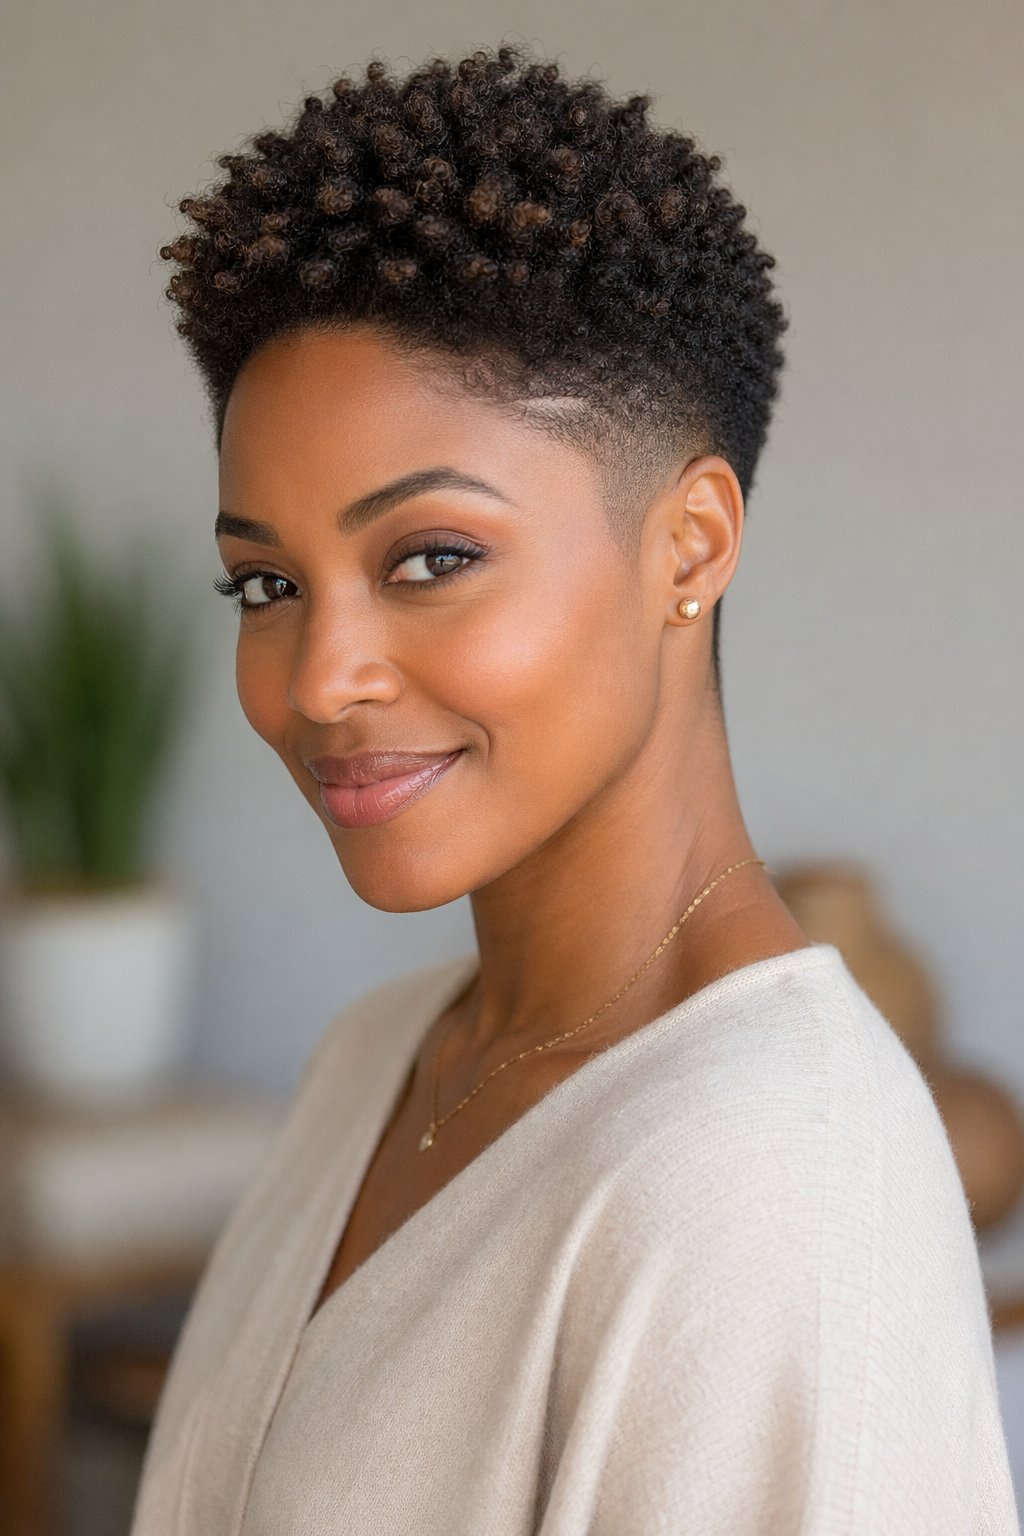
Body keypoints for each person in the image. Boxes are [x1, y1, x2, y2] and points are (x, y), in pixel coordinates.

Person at [130, 41, 1018, 1535]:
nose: (315, 677)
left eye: (431, 558)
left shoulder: (772, 1188)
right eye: (268, 582)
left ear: (690, 547)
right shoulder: (381, 1060)